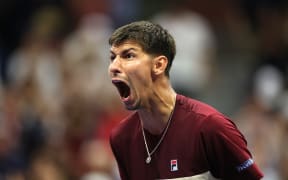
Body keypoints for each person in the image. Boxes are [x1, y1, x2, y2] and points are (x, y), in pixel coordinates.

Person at [108, 20, 263, 180]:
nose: (113, 67)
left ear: (159, 65)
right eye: (113, 58)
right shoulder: (121, 138)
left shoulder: (210, 127)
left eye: (128, 56)